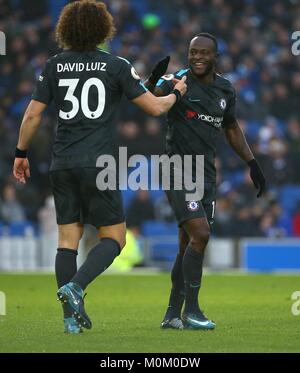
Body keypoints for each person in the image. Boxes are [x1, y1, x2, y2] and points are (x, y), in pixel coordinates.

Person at [13, 0, 187, 334]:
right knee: (115, 238)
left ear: (65, 29)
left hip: (62, 162)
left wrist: (20, 153)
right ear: (103, 28)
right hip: (98, 164)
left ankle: (69, 322)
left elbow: (33, 114)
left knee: (68, 240)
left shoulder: (53, 65)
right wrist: (177, 92)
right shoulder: (116, 65)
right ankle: (76, 287)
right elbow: (154, 108)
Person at [146, 33, 266, 330]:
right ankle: (193, 311)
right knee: (201, 234)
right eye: (192, 52)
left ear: (215, 57)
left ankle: (172, 314)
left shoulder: (226, 89)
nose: (197, 57)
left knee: (188, 243)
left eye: (203, 53)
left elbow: (232, 128)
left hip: (206, 174)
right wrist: (152, 82)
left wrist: (252, 163)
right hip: (176, 167)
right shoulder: (178, 81)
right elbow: (146, 103)